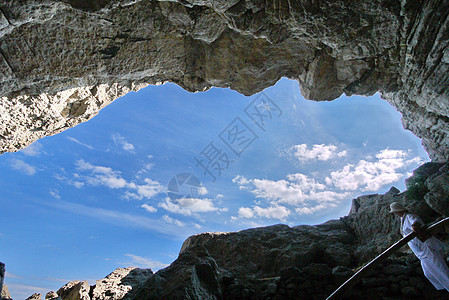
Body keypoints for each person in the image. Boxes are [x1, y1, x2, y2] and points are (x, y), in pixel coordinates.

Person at [390, 202, 449, 292]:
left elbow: (415, 222)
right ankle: (444, 289)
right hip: (421, 253)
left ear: (397, 211)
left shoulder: (410, 216)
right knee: (429, 273)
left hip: (427, 248)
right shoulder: (403, 219)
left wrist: (415, 227)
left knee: (441, 270)